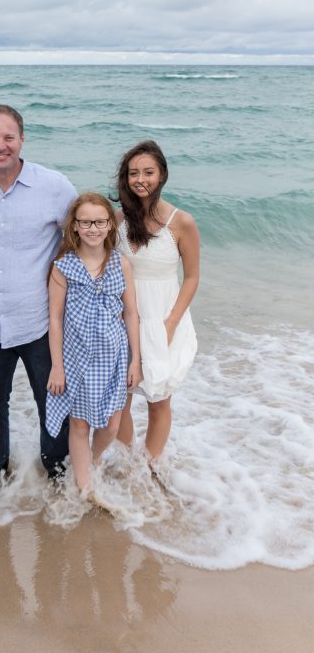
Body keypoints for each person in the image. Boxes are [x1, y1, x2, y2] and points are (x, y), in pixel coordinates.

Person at [0, 104, 78, 486]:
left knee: (52, 400)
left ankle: (58, 470)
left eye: (8, 137)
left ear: (22, 139)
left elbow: (87, 234)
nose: (1, 146)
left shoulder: (54, 186)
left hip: (40, 321)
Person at [45, 193, 141, 497]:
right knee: (80, 425)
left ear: (110, 225)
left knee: (111, 426)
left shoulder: (120, 263)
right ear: (74, 226)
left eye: (100, 222)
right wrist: (57, 367)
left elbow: (130, 312)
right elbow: (56, 320)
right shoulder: (63, 267)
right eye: (85, 222)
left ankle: (94, 462)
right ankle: (84, 486)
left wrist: (135, 360)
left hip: (114, 357)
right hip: (78, 359)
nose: (92, 228)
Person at [114, 140, 199, 461]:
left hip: (164, 318)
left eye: (148, 172)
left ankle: (149, 466)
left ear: (162, 174)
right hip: (122, 319)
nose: (140, 179)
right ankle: (127, 461)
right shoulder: (118, 219)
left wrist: (171, 324)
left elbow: (191, 277)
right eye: (133, 173)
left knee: (159, 399)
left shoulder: (182, 222)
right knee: (120, 398)